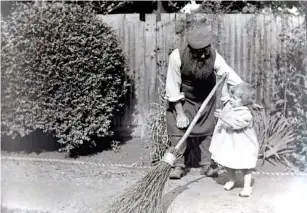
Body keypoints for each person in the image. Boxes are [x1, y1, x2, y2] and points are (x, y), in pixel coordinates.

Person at [165, 25, 243, 179]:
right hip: (182, 99)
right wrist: (180, 113)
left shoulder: (214, 56)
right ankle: (178, 166)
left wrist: (245, 92)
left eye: (204, 52)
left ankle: (207, 165)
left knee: (207, 132)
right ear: (190, 48)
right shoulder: (177, 56)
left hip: (205, 99)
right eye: (197, 53)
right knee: (178, 131)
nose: (202, 56)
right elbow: (172, 87)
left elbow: (229, 75)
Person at [209, 83, 259, 197]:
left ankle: (247, 187)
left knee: (246, 165)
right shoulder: (232, 108)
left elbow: (235, 124)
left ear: (244, 101)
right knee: (228, 162)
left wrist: (223, 117)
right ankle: (232, 179)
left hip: (244, 144)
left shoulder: (246, 114)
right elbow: (226, 102)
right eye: (231, 97)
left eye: (234, 98)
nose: (231, 100)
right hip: (231, 143)